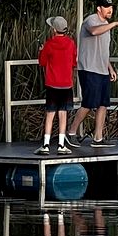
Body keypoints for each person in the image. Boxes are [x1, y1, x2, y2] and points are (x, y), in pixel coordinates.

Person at [69, 0, 118, 148]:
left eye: (111, 7)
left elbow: (103, 51)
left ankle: (98, 138)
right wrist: (115, 24)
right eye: (106, 7)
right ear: (99, 8)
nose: (110, 10)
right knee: (89, 103)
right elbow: (94, 31)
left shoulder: (107, 25)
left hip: (102, 70)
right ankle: (71, 133)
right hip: (89, 68)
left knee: (103, 104)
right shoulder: (91, 20)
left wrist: (110, 69)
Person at [35, 15, 77, 155]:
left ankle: (46, 145)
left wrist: (41, 51)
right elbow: (74, 62)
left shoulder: (49, 44)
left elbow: (42, 62)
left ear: (54, 30)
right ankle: (61, 144)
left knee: (50, 113)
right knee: (63, 114)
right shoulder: (71, 43)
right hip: (66, 84)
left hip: (52, 84)